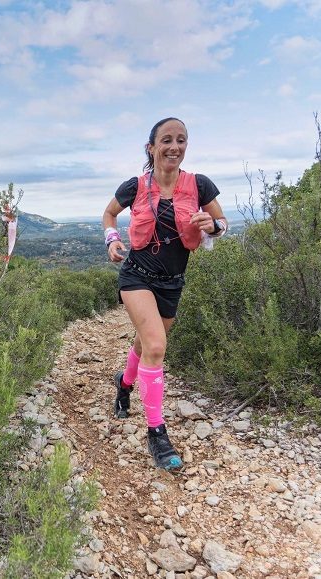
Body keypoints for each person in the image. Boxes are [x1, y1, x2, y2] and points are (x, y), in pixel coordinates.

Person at [101, 117, 227, 471]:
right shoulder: (135, 186)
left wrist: (212, 225)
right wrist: (112, 240)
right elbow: (109, 214)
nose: (175, 146)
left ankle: (124, 385)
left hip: (173, 280)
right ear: (151, 148)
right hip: (137, 275)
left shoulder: (199, 185)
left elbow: (222, 224)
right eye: (167, 140)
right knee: (156, 346)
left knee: (145, 345)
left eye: (181, 140)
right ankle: (156, 432)